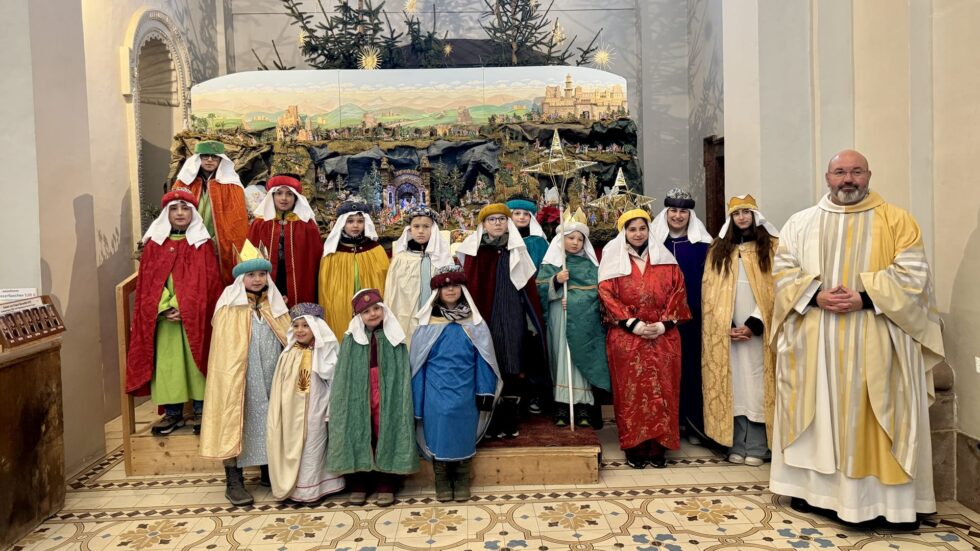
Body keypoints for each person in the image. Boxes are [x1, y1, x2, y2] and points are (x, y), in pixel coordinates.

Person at [768, 150, 944, 527]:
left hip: (878, 338)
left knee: (878, 418)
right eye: (840, 172)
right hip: (816, 340)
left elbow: (914, 277)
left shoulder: (898, 221)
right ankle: (816, 494)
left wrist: (864, 298)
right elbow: (782, 272)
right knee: (819, 417)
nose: (848, 179)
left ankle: (889, 505)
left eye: (856, 172)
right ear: (827, 177)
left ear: (869, 175)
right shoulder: (801, 223)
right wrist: (814, 295)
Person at [200, 240, 291, 506]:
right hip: (241, 380)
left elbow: (287, 338)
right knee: (238, 419)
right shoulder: (229, 308)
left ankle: (267, 470)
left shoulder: (274, 305)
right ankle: (234, 480)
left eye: (262, 274)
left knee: (271, 418)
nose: (257, 279)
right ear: (240, 277)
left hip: (271, 374)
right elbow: (225, 352)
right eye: (251, 274)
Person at [598, 209, 691, 469]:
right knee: (631, 392)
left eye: (642, 228)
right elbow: (606, 294)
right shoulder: (613, 260)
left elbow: (678, 292)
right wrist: (632, 324)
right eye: (632, 229)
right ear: (623, 232)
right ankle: (635, 445)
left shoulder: (666, 259)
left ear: (649, 230)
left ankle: (659, 445)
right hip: (627, 338)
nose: (638, 233)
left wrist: (663, 324)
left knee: (664, 391)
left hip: (664, 338)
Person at [125, 190, 223, 435]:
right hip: (165, 320)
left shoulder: (202, 245)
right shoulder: (154, 246)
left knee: (196, 359)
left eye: (186, 208)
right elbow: (149, 283)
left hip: (195, 315)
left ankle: (202, 411)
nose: (180, 213)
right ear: (166, 214)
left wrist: (184, 305)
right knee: (168, 365)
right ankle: (173, 413)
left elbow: (206, 283)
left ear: (194, 213)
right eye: (175, 209)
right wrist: (165, 306)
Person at [410, 265, 502, 502]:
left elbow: (484, 360)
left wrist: (485, 392)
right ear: (437, 292)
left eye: (454, 285)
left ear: (462, 289)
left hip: (466, 391)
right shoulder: (427, 324)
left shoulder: (475, 324)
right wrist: (416, 403)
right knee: (438, 433)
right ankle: (441, 478)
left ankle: (461, 477)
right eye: (444, 286)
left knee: (462, 433)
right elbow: (418, 366)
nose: (450, 289)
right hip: (435, 393)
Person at [456, 203, 548, 438]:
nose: (497, 223)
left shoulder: (516, 249)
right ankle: (490, 418)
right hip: (483, 313)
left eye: (501, 219)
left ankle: (510, 415)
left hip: (511, 313)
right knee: (488, 360)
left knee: (512, 359)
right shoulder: (475, 252)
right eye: (492, 220)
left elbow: (527, 285)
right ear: (483, 224)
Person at [701, 195, 779, 466]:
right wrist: (727, 325)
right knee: (734, 386)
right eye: (737, 213)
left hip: (758, 332)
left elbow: (775, 289)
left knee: (757, 386)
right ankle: (735, 442)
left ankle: (758, 446)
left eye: (747, 212)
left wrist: (755, 323)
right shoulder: (719, 250)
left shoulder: (771, 248)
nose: (742, 217)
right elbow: (711, 294)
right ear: (730, 219)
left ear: (756, 216)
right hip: (730, 334)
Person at [327, 289, 419, 507]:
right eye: (366, 311)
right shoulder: (351, 340)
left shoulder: (394, 337)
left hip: (387, 391)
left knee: (385, 430)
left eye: (376, 308)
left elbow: (401, 372)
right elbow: (343, 374)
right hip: (359, 392)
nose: (373, 314)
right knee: (360, 430)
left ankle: (387, 482)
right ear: (358, 316)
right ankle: (359, 482)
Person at [535, 209, 610, 428]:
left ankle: (583, 406)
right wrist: (556, 282)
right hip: (559, 315)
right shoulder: (552, 265)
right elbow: (539, 291)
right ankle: (560, 404)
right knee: (561, 358)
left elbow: (598, 294)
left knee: (579, 360)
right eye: (570, 238)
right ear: (561, 239)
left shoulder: (590, 266)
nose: (575, 243)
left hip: (583, 323)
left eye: (580, 239)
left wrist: (576, 301)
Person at [651, 188, 713, 444]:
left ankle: (694, 425)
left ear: (690, 215)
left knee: (692, 369)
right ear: (666, 213)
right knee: (663, 371)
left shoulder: (703, 246)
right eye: (673, 211)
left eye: (683, 212)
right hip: (661, 320)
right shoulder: (654, 243)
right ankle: (667, 425)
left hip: (694, 319)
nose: (677, 216)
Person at [266, 303, 345, 502]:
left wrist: (330, 408)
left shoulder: (325, 351)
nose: (300, 330)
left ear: (316, 327)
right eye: (296, 326)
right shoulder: (289, 354)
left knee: (314, 446)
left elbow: (335, 381)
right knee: (297, 447)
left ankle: (316, 488)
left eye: (305, 326)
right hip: (292, 410)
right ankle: (299, 489)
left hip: (317, 407)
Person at [172, 140, 250, 284]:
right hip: (191, 240)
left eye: (214, 157)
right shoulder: (184, 183)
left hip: (218, 245)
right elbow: (171, 214)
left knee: (217, 281)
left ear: (221, 159)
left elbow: (237, 221)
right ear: (198, 158)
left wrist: (218, 240)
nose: (209, 160)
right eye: (205, 156)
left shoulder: (232, 185)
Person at [246, 174, 323, 307]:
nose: (284, 198)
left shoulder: (307, 225)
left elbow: (315, 260)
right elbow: (248, 257)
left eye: (289, 194)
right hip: (268, 277)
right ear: (272, 196)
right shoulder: (260, 223)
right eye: (279, 193)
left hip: (299, 279)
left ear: (295, 198)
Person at [318, 201, 390, 339]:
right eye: (350, 221)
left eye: (360, 221)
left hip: (372, 309)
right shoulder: (331, 253)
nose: (355, 225)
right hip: (341, 306)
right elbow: (325, 289)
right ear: (342, 223)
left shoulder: (376, 250)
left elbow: (385, 280)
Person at [384, 205, 452, 345]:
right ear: (410, 229)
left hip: (436, 315)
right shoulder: (401, 259)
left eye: (426, 227)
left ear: (433, 229)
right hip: (407, 312)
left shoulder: (442, 257)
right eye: (416, 226)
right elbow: (392, 292)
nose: (421, 231)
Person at [507, 195, 549, 270]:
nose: (522, 217)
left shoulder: (538, 241)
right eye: (517, 213)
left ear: (531, 217)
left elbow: (544, 268)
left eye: (526, 214)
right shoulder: (503, 239)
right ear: (510, 216)